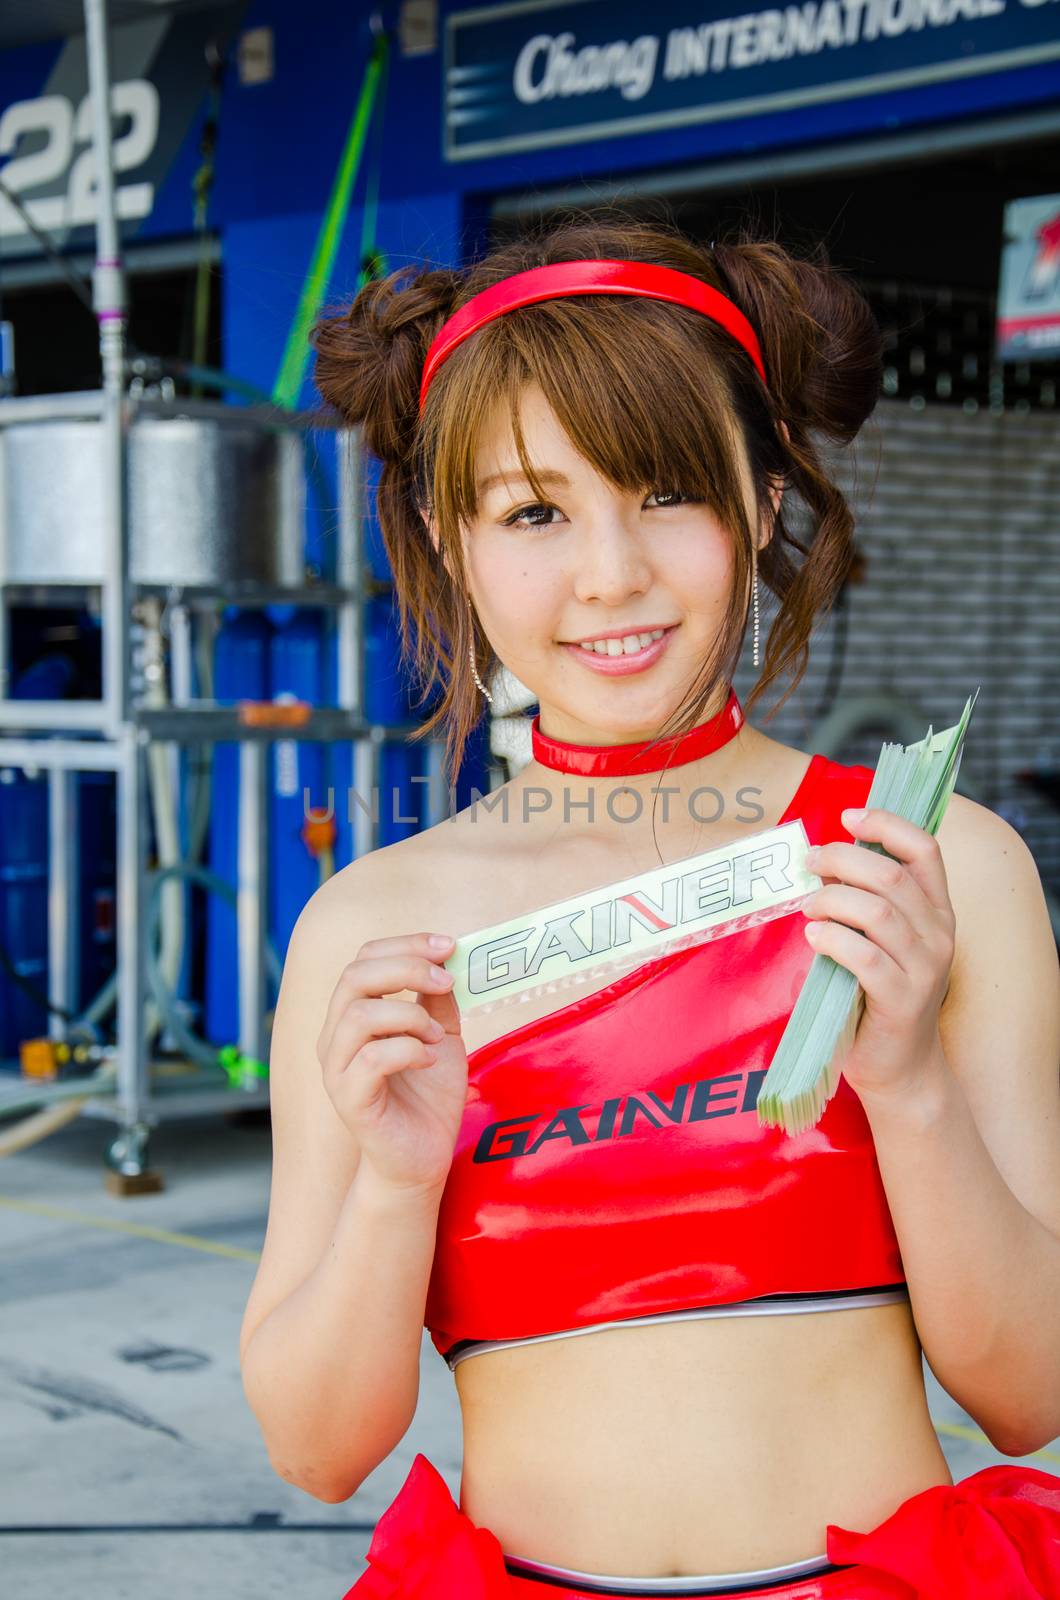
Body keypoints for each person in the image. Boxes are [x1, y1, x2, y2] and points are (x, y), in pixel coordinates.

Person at [238, 216, 1060, 1599]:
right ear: (450, 535)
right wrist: (395, 1184)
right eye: (534, 512)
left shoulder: (924, 868)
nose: (609, 574)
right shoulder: (375, 934)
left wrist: (906, 1083)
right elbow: (318, 1452)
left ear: (759, 497)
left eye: (668, 490)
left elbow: (1032, 1391)